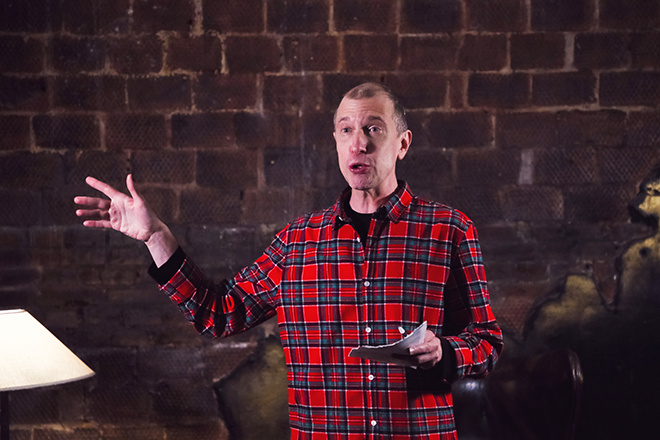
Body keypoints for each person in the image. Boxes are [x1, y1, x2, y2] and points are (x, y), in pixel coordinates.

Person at [75, 82, 503, 439]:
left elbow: (486, 342)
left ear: (402, 143)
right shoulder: (297, 243)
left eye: (373, 128)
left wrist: (445, 352)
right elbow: (218, 314)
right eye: (346, 129)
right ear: (336, 141)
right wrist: (156, 237)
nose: (359, 142)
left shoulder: (449, 230)